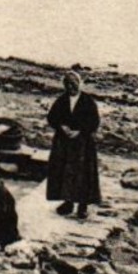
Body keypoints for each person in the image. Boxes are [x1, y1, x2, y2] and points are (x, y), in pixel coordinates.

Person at [47, 70, 102, 219]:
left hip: (83, 144)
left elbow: (94, 122)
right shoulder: (61, 100)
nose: (71, 87)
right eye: (67, 84)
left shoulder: (88, 101)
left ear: (79, 84)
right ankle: (68, 203)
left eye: (73, 83)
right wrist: (61, 127)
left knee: (83, 174)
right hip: (64, 143)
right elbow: (52, 117)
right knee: (65, 172)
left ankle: (82, 206)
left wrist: (80, 131)